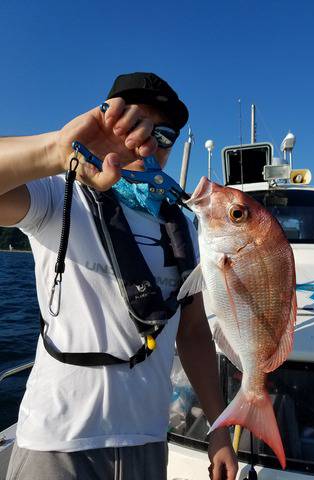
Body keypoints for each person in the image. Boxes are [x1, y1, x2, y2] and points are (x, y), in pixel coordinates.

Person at [0, 72, 238, 480]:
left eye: (164, 136)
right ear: (104, 122)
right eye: (133, 126)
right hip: (58, 443)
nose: (149, 145)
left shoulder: (179, 226)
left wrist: (219, 427)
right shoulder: (59, 193)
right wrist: (61, 151)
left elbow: (195, 332)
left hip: (147, 443)